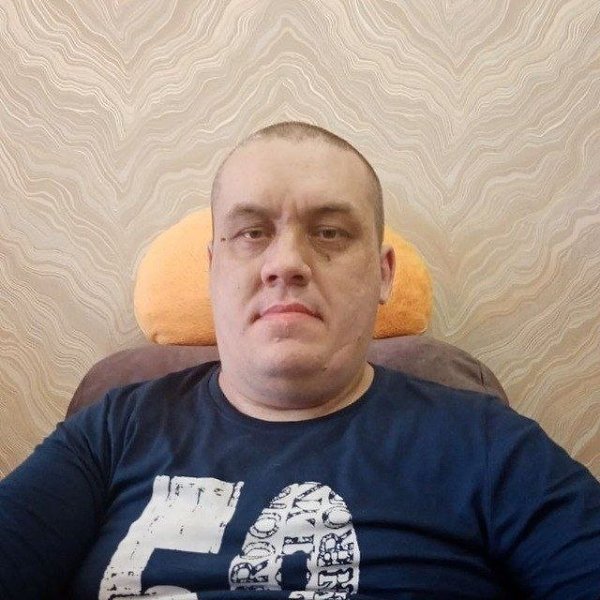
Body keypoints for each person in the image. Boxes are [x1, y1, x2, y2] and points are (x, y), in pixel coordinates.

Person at [0, 121, 599, 599]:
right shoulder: (112, 430)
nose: (286, 262)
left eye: (330, 232)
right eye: (252, 232)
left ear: (383, 275)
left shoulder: (487, 443)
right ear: (212, 269)